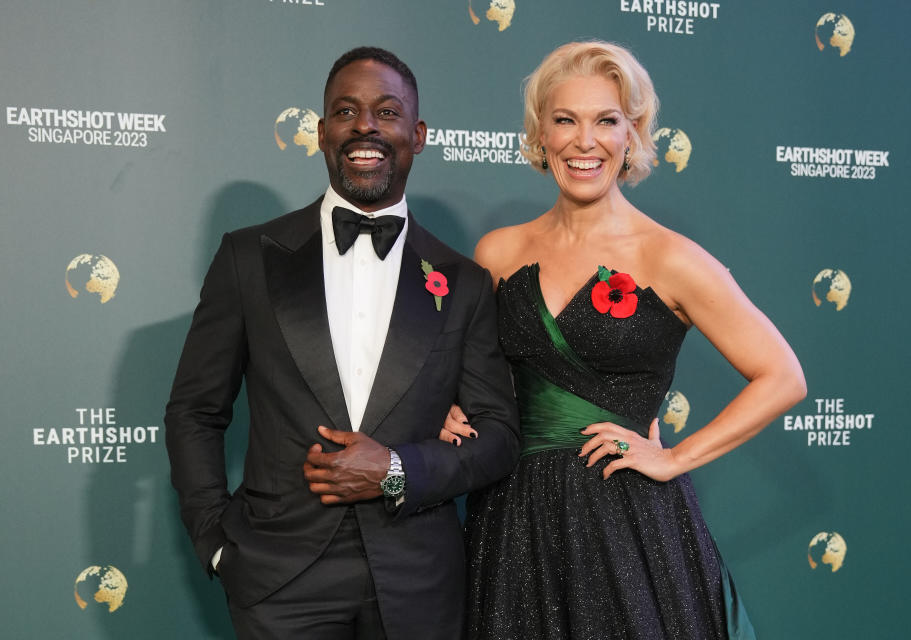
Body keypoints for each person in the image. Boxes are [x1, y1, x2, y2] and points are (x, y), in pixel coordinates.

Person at [441, 41, 807, 639]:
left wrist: (674, 458)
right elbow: (482, 377)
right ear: (540, 134)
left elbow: (783, 376)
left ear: (632, 134)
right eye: (565, 120)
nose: (585, 141)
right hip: (511, 522)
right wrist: (458, 408)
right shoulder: (498, 253)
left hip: (627, 526)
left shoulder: (671, 258)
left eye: (606, 121)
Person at [165, 46, 520, 640]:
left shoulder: (462, 281)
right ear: (322, 131)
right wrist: (217, 542)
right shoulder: (249, 258)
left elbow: (500, 438)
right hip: (278, 580)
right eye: (346, 111)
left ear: (418, 133)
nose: (365, 127)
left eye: (386, 112)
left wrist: (397, 469)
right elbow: (194, 411)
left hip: (419, 585)